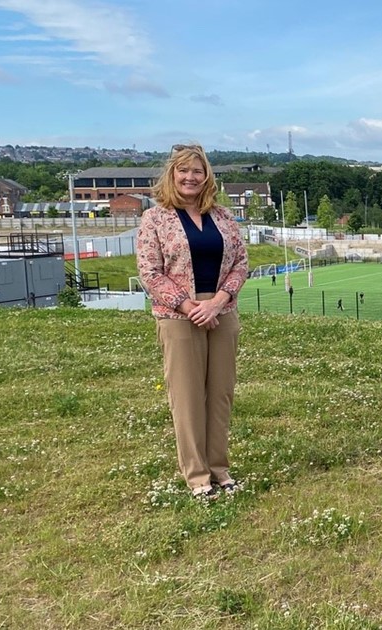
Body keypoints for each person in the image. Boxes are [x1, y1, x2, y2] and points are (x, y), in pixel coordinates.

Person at [136, 143, 248, 501]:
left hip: (221, 313)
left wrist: (217, 302)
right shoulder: (155, 219)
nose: (190, 177)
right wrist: (188, 306)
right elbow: (150, 272)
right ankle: (198, 476)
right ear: (172, 175)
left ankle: (219, 468)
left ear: (207, 176)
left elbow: (240, 264)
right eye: (183, 171)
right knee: (186, 398)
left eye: (197, 171)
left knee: (219, 395)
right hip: (178, 317)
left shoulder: (224, 217)